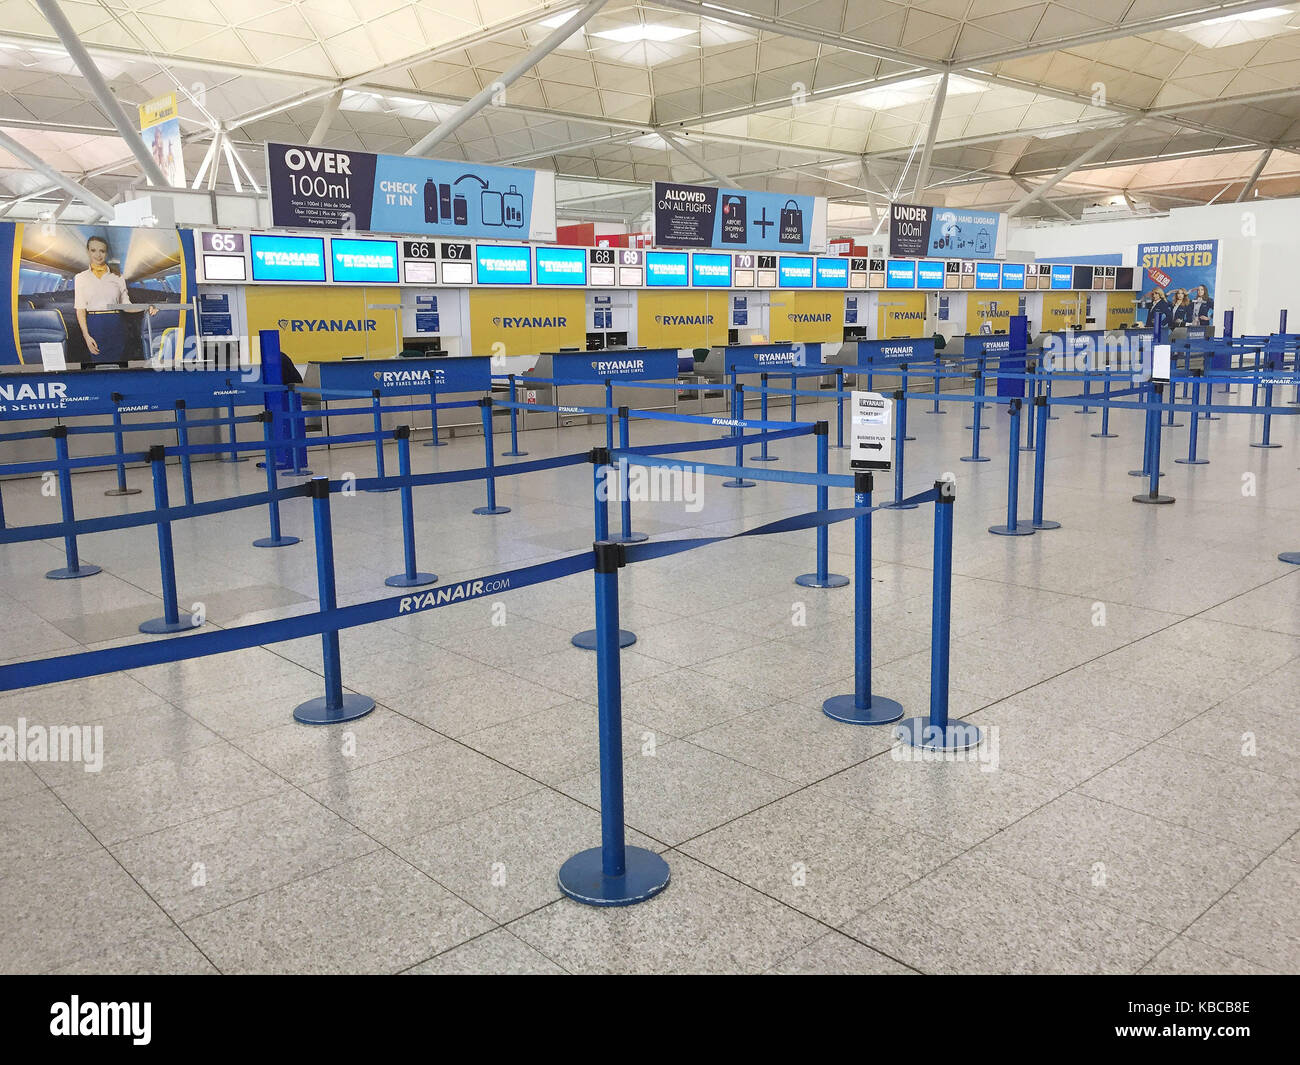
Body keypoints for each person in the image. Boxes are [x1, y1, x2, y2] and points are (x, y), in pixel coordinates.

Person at [73, 235, 155, 359]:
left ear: (106, 253)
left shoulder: (117, 277)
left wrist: (146, 307)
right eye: (93, 250)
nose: (98, 255)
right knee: (98, 363)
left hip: (116, 323)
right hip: (94, 325)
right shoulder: (80, 278)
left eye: (102, 251)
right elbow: (80, 310)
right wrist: (86, 336)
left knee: (119, 363)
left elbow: (126, 306)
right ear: (88, 251)